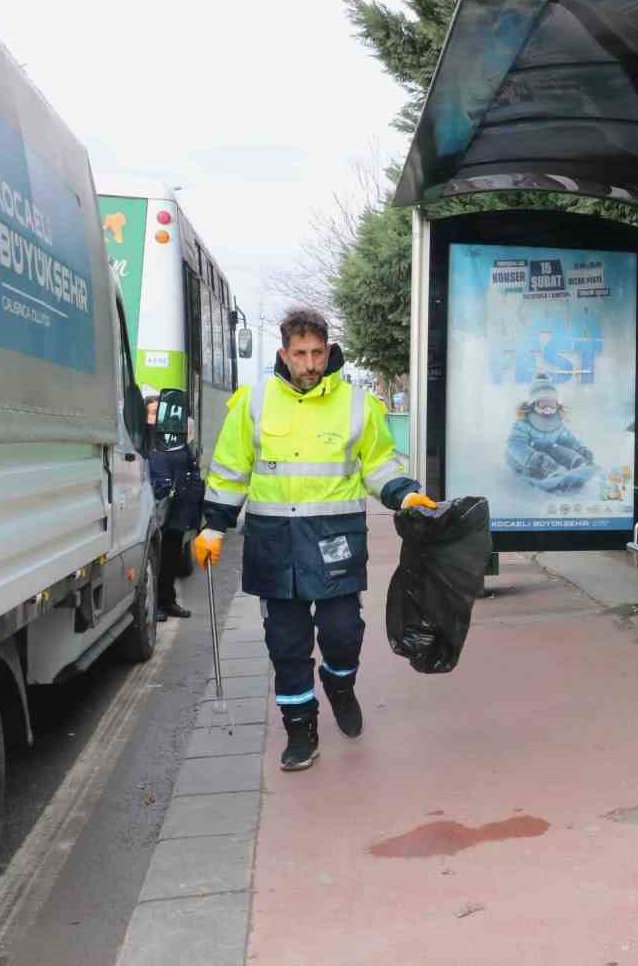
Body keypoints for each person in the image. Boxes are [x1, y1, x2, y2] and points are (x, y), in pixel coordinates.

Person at [196, 307, 436, 771]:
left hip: (335, 540)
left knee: (344, 634)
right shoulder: (254, 402)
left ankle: (339, 685)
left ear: (329, 351)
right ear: (284, 354)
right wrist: (213, 525)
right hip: (273, 543)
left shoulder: (358, 403)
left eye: (318, 353)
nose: (310, 364)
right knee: (286, 645)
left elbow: (379, 464)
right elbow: (230, 468)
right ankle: (300, 730)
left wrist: (404, 495)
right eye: (300, 354)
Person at [144, 395, 203, 620]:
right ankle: (155, 605)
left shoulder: (175, 439)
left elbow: (191, 467)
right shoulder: (142, 440)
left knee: (171, 560)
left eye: (158, 413)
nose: (154, 417)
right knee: (155, 561)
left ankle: (168, 601)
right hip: (154, 507)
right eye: (151, 413)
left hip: (176, 508)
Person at [505, 373, 596, 494]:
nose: (548, 409)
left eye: (551, 404)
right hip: (523, 460)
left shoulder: (556, 424)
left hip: (546, 455)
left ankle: (578, 463)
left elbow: (569, 440)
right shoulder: (523, 424)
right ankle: (550, 472)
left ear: (557, 405)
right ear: (533, 404)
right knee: (543, 459)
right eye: (543, 404)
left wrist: (581, 450)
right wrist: (532, 458)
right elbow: (515, 444)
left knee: (557, 449)